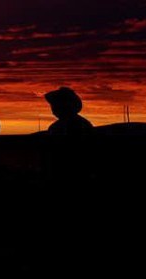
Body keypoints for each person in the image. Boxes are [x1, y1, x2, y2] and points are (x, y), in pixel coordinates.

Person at [43, 87, 95, 265]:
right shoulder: (66, 126)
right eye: (54, 106)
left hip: (72, 181)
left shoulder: (76, 127)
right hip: (66, 180)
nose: (55, 109)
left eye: (57, 105)